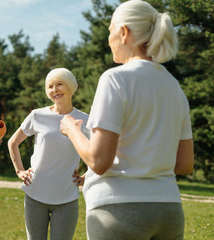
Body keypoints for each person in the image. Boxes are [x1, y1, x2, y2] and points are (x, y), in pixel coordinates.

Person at [60, 1, 194, 239]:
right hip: (169, 210)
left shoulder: (115, 79)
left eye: (110, 30)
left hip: (118, 209)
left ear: (124, 32)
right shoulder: (175, 87)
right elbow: (184, 164)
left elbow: (99, 161)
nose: (107, 38)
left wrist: (71, 130)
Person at [8, 68, 89, 240]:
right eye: (50, 86)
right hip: (35, 195)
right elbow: (13, 142)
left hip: (67, 198)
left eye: (60, 84)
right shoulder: (37, 115)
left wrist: (87, 176)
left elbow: (102, 150)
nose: (54, 90)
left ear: (71, 87)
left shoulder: (85, 120)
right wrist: (20, 171)